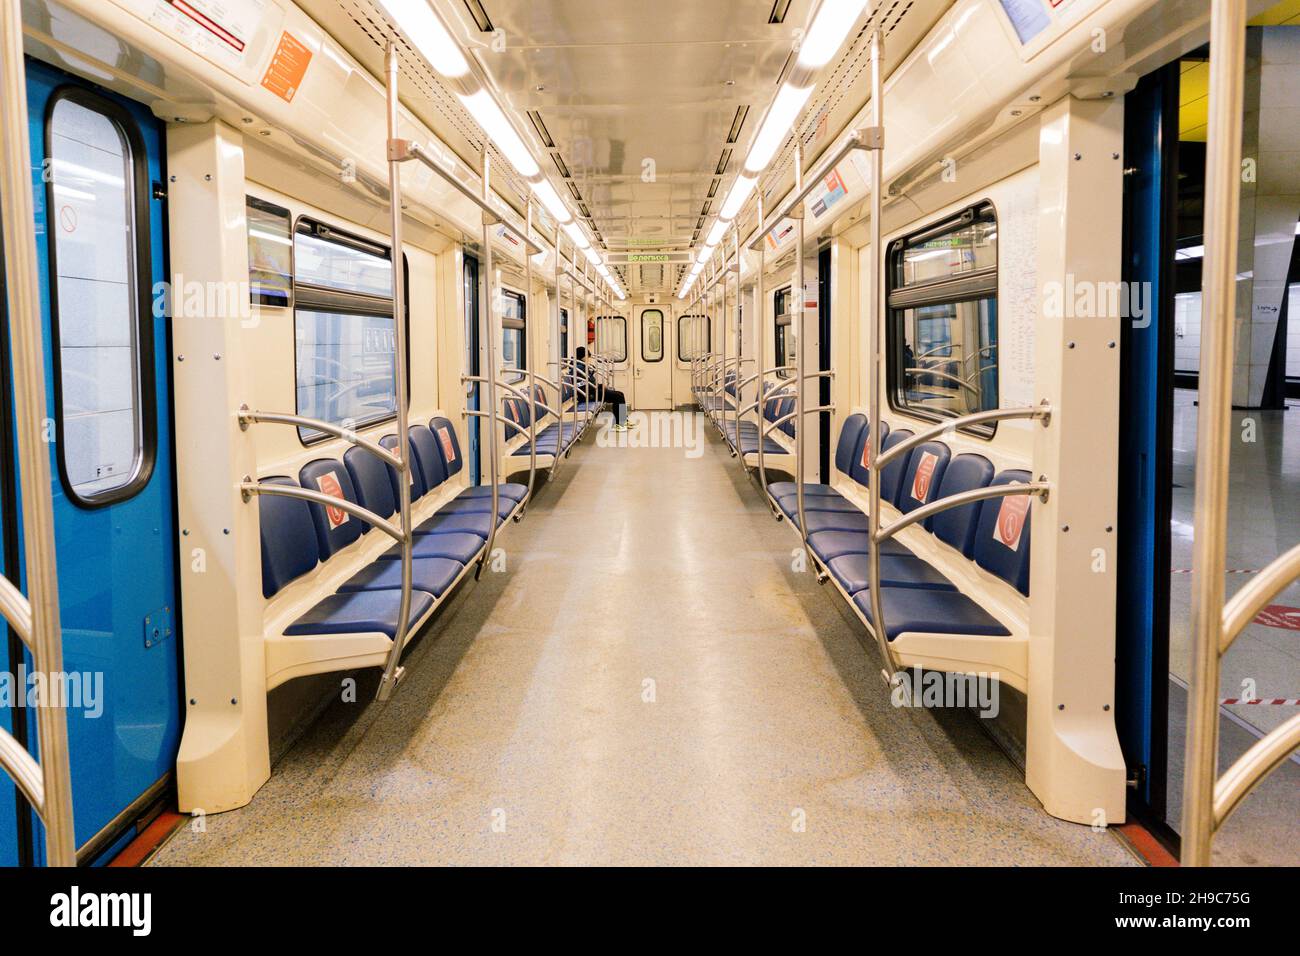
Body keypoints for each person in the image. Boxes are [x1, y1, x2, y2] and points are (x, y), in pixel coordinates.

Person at [575, 347, 634, 430]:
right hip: (588, 395)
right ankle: (620, 423)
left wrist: (599, 386)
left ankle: (623, 421)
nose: (589, 359)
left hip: (592, 391)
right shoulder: (578, 369)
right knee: (618, 397)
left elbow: (589, 383)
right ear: (583, 357)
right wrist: (598, 387)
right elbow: (583, 386)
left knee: (620, 394)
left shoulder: (582, 367)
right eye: (588, 357)